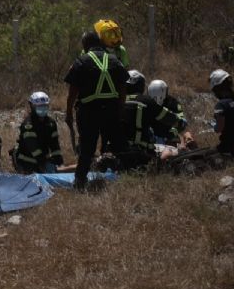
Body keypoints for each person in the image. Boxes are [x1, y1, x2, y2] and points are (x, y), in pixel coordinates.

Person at [64, 31, 129, 190]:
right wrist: (120, 109)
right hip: (111, 111)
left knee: (87, 148)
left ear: (85, 45)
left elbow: (73, 92)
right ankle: (127, 176)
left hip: (89, 112)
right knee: (118, 145)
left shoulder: (81, 61)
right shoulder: (114, 60)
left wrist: (69, 113)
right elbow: (123, 88)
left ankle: (80, 181)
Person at [120, 70, 186, 168]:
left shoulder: (116, 101)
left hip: (117, 149)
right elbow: (168, 119)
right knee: (172, 153)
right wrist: (180, 124)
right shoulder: (146, 101)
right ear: (141, 86)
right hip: (140, 151)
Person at [11, 91, 64, 174]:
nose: (43, 108)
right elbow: (33, 147)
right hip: (27, 162)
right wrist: (42, 163)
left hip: (43, 160)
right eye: (39, 106)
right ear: (32, 106)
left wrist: (58, 158)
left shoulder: (51, 123)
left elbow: (54, 143)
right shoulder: (28, 124)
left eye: (45, 106)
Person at [148, 79, 196, 148]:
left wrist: (172, 130)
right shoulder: (147, 103)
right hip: (153, 135)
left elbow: (182, 122)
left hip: (170, 134)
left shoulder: (173, 103)